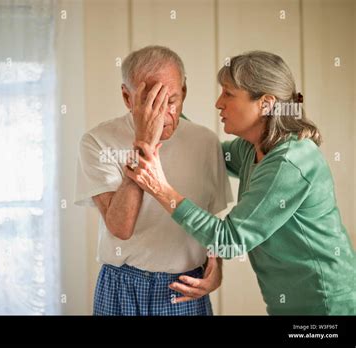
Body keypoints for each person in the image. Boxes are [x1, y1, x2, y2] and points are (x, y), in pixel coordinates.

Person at [125, 50, 356, 315]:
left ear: (265, 103)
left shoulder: (290, 163)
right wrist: (165, 109)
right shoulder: (252, 148)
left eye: (228, 94)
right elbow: (208, 153)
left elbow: (229, 239)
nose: (218, 103)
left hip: (326, 307)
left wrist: (160, 189)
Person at [74, 45, 233, 315]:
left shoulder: (206, 142)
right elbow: (120, 227)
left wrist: (216, 269)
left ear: (184, 92)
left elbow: (209, 225)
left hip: (183, 287)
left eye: (171, 100)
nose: (163, 114)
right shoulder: (97, 141)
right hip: (120, 285)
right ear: (127, 97)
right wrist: (144, 142)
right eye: (150, 102)